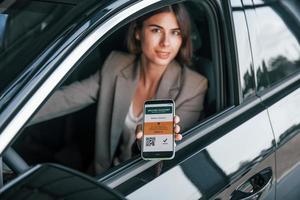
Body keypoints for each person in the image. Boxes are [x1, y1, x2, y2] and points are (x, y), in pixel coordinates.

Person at [31, 3, 208, 175]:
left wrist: (144, 144)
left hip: (146, 181)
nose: (166, 43)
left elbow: (167, 159)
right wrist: (11, 114)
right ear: (138, 32)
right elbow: (65, 99)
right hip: (104, 175)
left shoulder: (193, 86)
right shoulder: (116, 64)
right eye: (156, 30)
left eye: (175, 33)